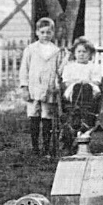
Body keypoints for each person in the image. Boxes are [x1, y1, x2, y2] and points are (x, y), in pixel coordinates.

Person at [18, 17, 64, 157]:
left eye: (48, 32)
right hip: (34, 88)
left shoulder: (56, 51)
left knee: (47, 117)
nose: (45, 35)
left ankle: (46, 147)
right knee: (34, 116)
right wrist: (24, 87)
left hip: (49, 89)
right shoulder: (31, 49)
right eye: (42, 32)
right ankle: (35, 147)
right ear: (37, 32)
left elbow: (59, 70)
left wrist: (57, 85)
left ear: (53, 33)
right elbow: (24, 69)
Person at [62, 37, 103, 107]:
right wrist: (77, 82)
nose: (81, 54)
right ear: (74, 53)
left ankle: (86, 108)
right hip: (73, 89)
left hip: (90, 89)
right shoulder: (69, 67)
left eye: (84, 52)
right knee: (77, 87)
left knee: (86, 87)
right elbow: (66, 82)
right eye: (79, 51)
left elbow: (97, 81)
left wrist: (87, 82)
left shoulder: (94, 67)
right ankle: (75, 107)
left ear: (90, 54)